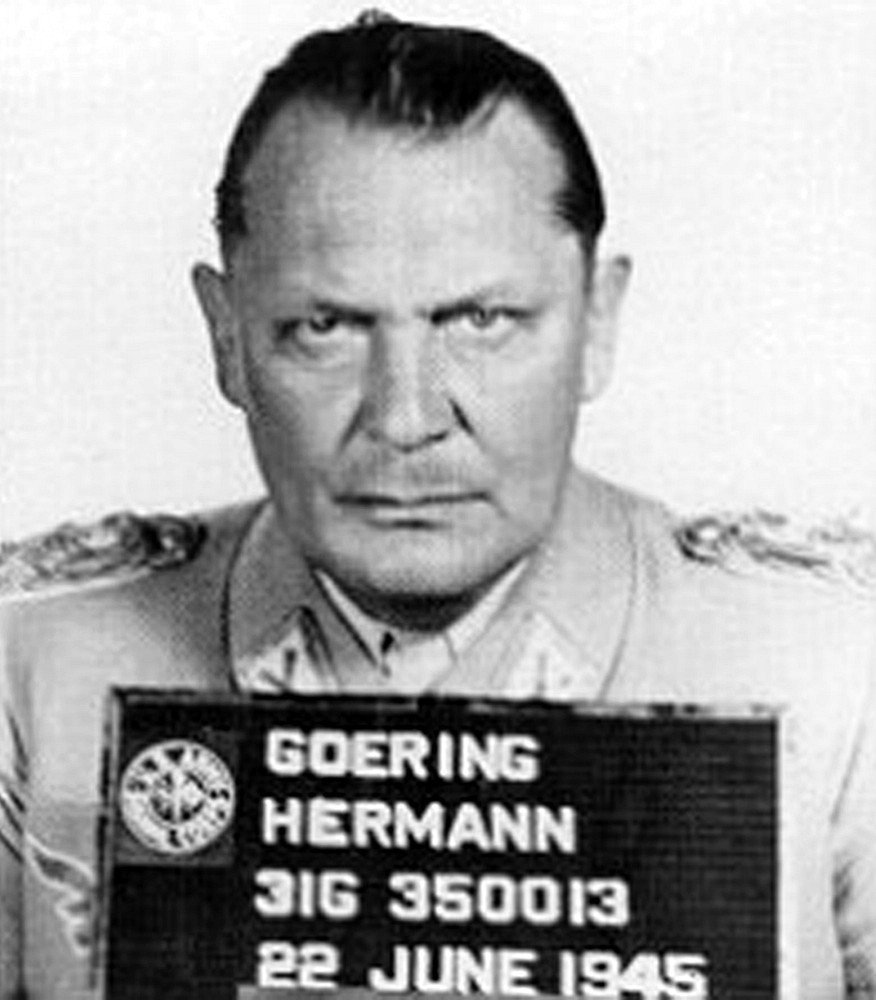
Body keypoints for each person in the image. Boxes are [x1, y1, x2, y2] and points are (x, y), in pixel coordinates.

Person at [1, 11, 874, 998]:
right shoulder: (34, 667)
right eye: (325, 326)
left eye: (482, 319)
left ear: (596, 321)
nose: (407, 418)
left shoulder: (837, 674)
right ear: (227, 338)